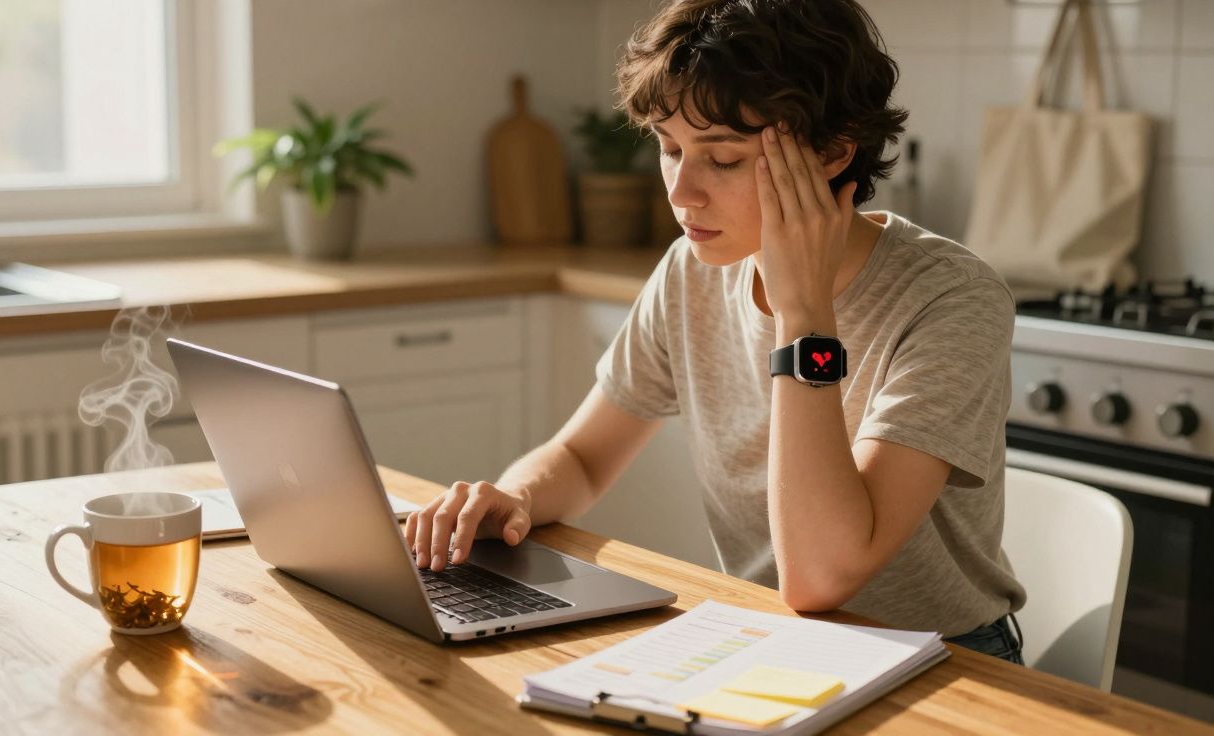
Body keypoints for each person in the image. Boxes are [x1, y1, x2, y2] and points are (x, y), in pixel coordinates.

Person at [405, 0, 1026, 664]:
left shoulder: (952, 298)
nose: (681, 192)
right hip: (768, 639)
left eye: (723, 160)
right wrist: (516, 497)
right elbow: (583, 458)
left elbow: (821, 578)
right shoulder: (692, 272)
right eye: (671, 149)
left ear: (831, 152)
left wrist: (804, 315)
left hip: (948, 661)